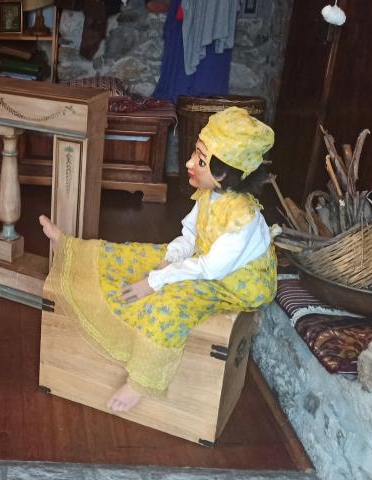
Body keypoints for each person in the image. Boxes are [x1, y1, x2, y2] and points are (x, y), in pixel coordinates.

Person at [38, 107, 277, 412]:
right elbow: (190, 236)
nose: (189, 163)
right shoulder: (211, 194)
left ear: (222, 173)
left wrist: (156, 281)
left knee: (170, 305)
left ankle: (142, 380)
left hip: (231, 284)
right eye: (195, 153)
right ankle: (71, 249)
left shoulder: (242, 220)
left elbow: (209, 269)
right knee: (140, 253)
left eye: (200, 160)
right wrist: (168, 260)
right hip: (206, 262)